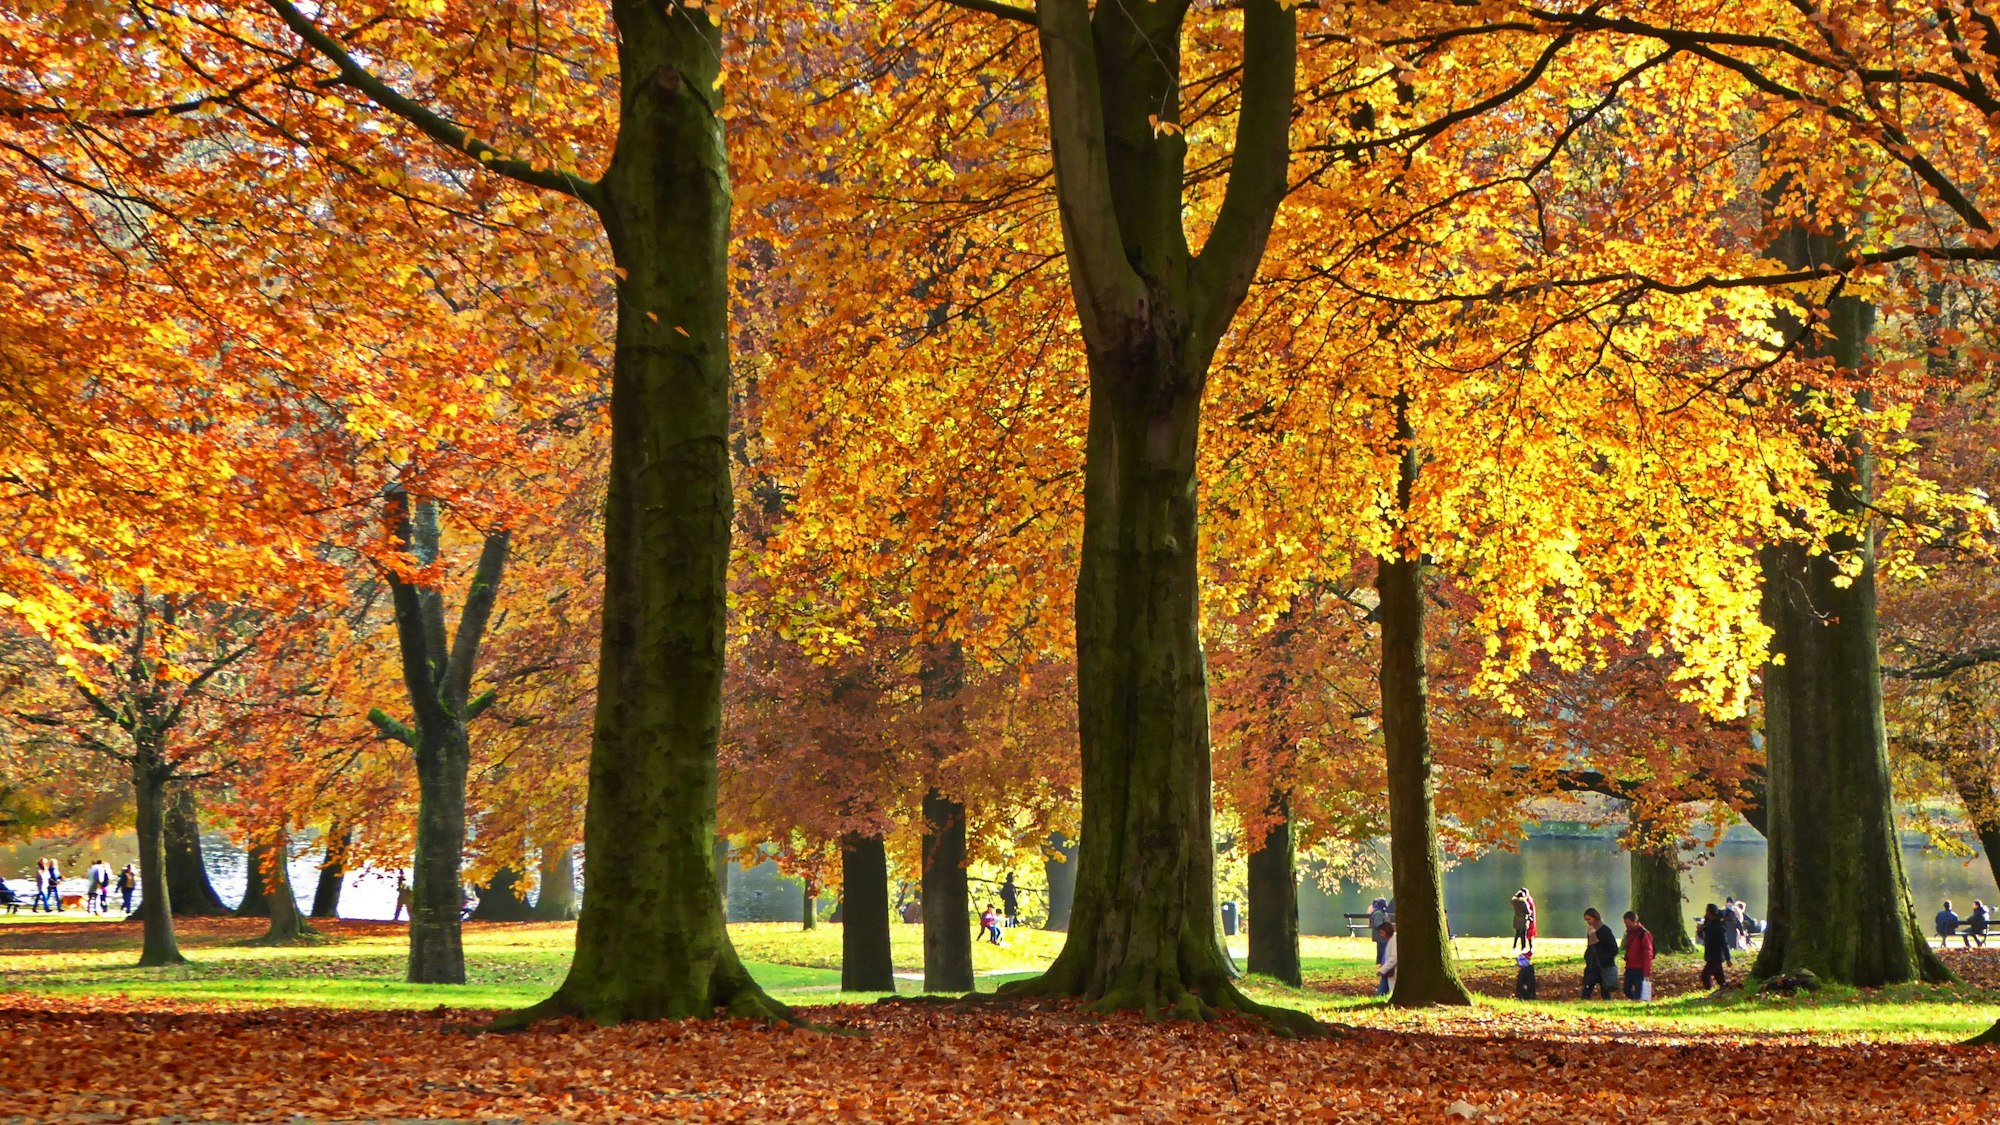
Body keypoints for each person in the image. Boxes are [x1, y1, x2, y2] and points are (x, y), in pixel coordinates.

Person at [1582, 908, 1619, 1000]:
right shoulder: (1590, 931)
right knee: (1587, 988)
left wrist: (1602, 958)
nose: (1588, 922)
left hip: (1604, 965)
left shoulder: (1605, 930)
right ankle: (1584, 1003)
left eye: (1589, 919)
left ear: (1595, 918)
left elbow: (1613, 949)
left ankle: (1607, 1006)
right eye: (1586, 920)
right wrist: (1587, 956)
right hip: (1592, 965)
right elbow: (1590, 946)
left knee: (1605, 991)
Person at [1622, 911, 1655, 1001]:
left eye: (1627, 923)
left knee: (1639, 991)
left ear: (1634, 921)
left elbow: (1648, 953)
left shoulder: (1643, 934)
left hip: (1639, 968)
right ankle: (1635, 1001)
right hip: (1630, 967)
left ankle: (1638, 1003)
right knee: (1626, 989)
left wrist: (1646, 971)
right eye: (1625, 923)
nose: (1626, 925)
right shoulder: (1629, 933)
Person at [1699, 903, 1731, 990]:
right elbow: (1703, 937)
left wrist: (1728, 958)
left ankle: (1708, 990)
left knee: (1705, 975)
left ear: (1710, 912)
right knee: (1720, 979)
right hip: (1710, 954)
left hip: (1716, 956)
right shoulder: (1709, 923)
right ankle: (1724, 989)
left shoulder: (1719, 926)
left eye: (1707, 911)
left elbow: (1724, 943)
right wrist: (1700, 930)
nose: (1706, 913)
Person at [1376, 921, 1398, 997]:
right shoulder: (1390, 940)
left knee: (1383, 990)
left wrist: (1383, 969)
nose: (1381, 935)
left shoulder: (1394, 939)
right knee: (1383, 988)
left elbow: (1394, 957)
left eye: (1382, 933)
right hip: (1388, 970)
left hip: (1390, 969)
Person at [1369, 897, 1391, 966]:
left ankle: (1383, 962)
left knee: (1384, 949)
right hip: (1380, 936)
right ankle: (1379, 963)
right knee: (1381, 950)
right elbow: (1378, 924)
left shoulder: (1383, 913)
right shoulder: (1378, 913)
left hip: (1384, 936)